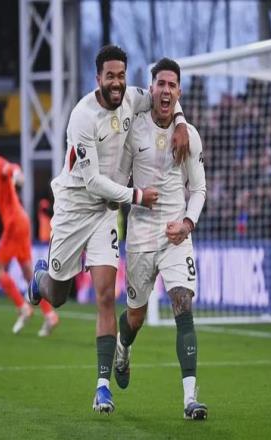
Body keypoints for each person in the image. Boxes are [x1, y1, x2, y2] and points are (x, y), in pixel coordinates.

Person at [28, 45, 190, 414]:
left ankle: (102, 387)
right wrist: (136, 195)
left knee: (105, 295)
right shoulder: (82, 117)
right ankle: (39, 282)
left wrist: (180, 122)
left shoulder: (133, 98)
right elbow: (93, 182)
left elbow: (164, 96)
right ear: (98, 78)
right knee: (58, 295)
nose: (117, 83)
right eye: (110, 76)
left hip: (104, 214)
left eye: (121, 76)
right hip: (74, 208)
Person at [112, 58, 208, 420]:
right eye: (160, 84)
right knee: (135, 317)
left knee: (183, 305)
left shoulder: (189, 135)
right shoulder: (134, 129)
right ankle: (123, 345)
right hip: (139, 235)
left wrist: (187, 223)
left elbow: (199, 189)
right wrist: (133, 196)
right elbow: (118, 182)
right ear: (151, 88)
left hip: (175, 236)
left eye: (172, 85)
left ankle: (189, 399)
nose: (166, 90)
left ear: (179, 91)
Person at [0, 139, 58, 337]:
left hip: (14, 223)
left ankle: (23, 308)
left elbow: (11, 168)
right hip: (20, 221)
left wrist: (17, 175)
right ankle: (50, 315)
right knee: (29, 274)